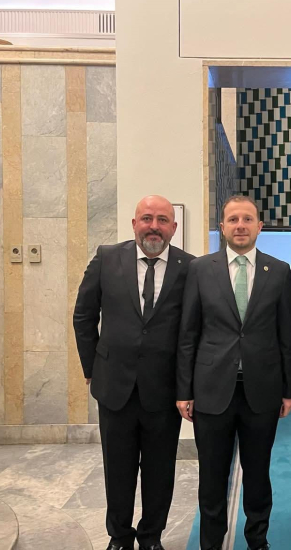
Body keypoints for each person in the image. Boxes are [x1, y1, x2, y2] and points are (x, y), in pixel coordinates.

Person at [176, 195, 291, 550]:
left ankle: (257, 541)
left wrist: (289, 389)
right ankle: (211, 543)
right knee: (212, 476)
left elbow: (287, 334)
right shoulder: (200, 269)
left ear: (260, 226)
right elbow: (188, 333)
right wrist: (184, 390)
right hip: (212, 390)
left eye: (247, 219)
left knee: (258, 475)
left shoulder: (279, 271)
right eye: (233, 219)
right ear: (223, 227)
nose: (240, 226)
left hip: (262, 390)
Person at [73, 195, 194, 550]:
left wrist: (187, 385)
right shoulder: (106, 258)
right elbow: (83, 315)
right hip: (114, 386)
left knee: (160, 470)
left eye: (162, 220)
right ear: (134, 223)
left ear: (174, 227)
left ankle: (151, 536)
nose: (153, 226)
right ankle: (120, 537)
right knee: (118, 468)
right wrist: (91, 368)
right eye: (146, 218)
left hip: (164, 389)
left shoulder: (190, 267)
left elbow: (193, 330)